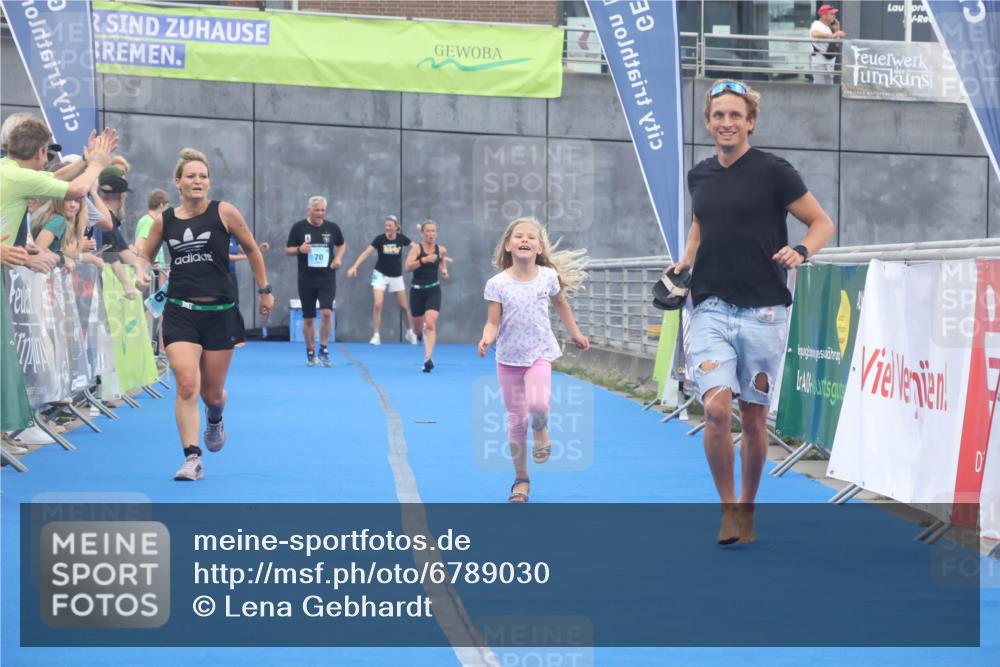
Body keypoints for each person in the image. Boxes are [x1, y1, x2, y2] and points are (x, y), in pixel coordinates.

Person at [669, 80, 835, 544]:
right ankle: (727, 509)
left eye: (735, 116)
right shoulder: (699, 174)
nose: (726, 123)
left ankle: (748, 506)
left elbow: (822, 222)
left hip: (764, 310)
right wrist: (686, 259)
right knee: (717, 410)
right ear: (708, 122)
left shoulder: (774, 172)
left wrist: (802, 250)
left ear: (750, 122)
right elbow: (701, 222)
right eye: (718, 115)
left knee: (754, 417)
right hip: (709, 308)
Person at [135, 148, 274, 482]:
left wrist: (264, 289)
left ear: (208, 182)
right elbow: (144, 255)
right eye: (191, 176)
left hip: (220, 313)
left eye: (202, 176)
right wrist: (141, 271)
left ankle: (215, 415)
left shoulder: (224, 212)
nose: (197, 181)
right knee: (185, 383)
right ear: (178, 182)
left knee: (211, 393)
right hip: (180, 311)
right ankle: (192, 458)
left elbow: (252, 249)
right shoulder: (163, 221)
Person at [478, 217, 589, 503]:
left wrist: (575, 333)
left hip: (539, 352)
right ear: (508, 245)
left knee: (538, 404)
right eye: (518, 236)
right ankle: (521, 480)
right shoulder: (497, 283)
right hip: (508, 358)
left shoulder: (547, 277)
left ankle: (541, 430)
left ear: (539, 247)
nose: (524, 240)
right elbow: (492, 322)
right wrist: (487, 337)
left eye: (530, 237)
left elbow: (561, 305)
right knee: (516, 419)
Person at [285, 196, 345, 367]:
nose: (320, 213)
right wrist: (299, 249)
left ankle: (324, 349)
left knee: (327, 312)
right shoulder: (299, 227)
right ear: (309, 210)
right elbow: (287, 249)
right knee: (309, 319)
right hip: (306, 279)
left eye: (322, 210)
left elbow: (342, 244)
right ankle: (310, 350)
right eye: (316, 210)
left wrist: (338, 259)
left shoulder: (332, 228)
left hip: (327, 278)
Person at [347, 214, 419, 345]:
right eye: (386, 225)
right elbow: (366, 253)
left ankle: (409, 332)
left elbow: (417, 248)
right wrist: (354, 266)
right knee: (378, 303)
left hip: (396, 276)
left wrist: (416, 258)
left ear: (396, 227)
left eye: (390, 226)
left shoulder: (402, 239)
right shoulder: (379, 239)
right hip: (380, 274)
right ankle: (376, 335)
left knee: (404, 306)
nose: (388, 228)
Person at [406, 220, 449, 372]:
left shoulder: (441, 249)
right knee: (418, 326)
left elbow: (441, 261)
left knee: (430, 322)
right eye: (428, 231)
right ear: (423, 233)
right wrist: (424, 260)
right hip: (417, 290)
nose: (431, 234)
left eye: (433, 231)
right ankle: (418, 335)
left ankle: (428, 359)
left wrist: (444, 270)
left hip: (433, 290)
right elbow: (408, 267)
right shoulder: (417, 249)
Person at [810, 4, 844, 85]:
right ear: (824, 15)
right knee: (820, 89)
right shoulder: (817, 24)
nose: (834, 16)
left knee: (829, 89)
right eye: (831, 14)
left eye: (834, 14)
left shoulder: (828, 28)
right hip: (820, 63)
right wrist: (833, 35)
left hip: (828, 64)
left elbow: (837, 45)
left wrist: (837, 29)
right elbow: (814, 34)